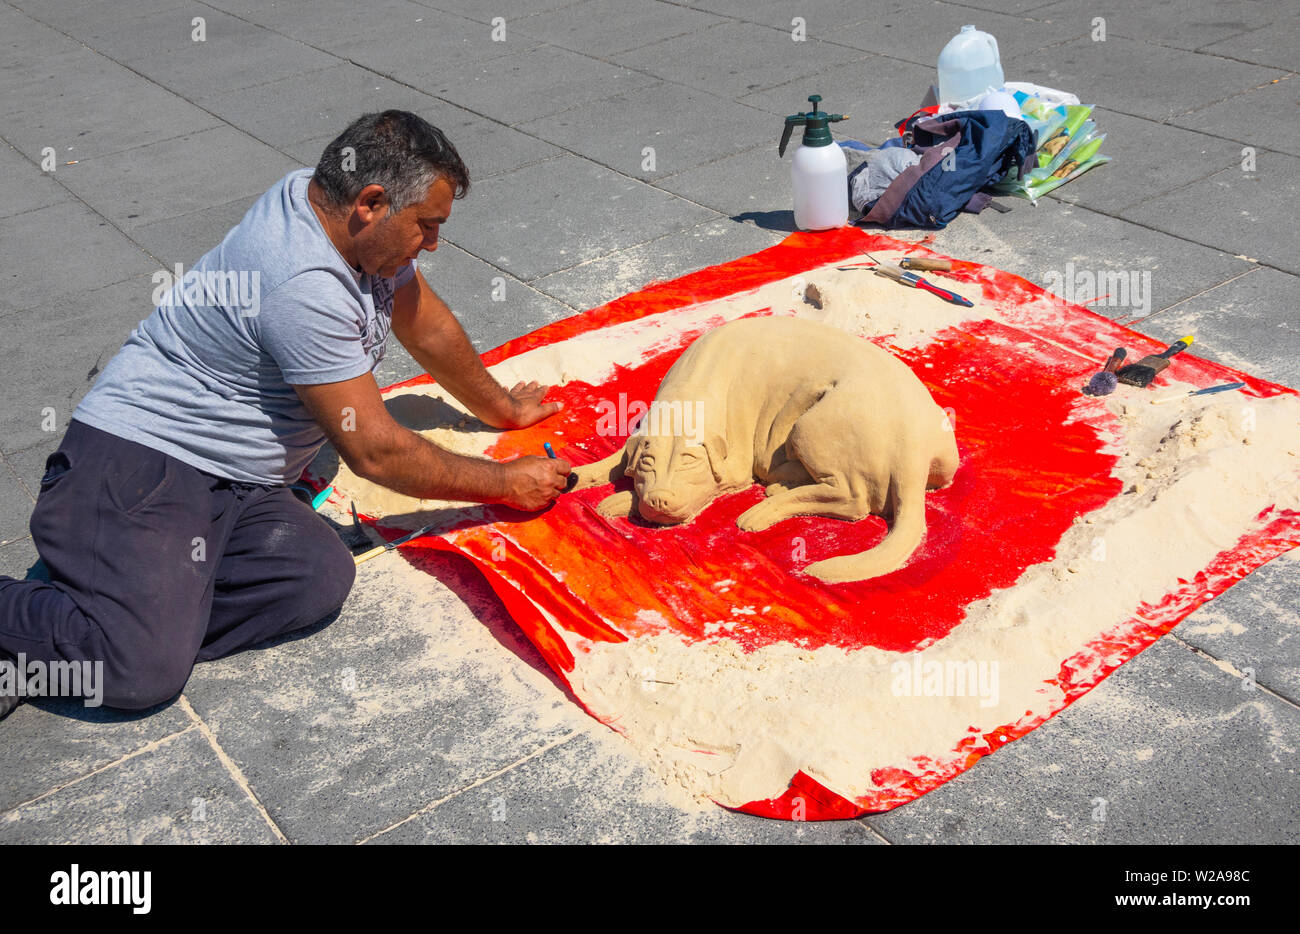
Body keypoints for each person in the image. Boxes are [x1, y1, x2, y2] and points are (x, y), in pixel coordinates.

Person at [0, 110, 570, 721]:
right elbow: (374, 450)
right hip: (142, 462)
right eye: (426, 227)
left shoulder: (334, 206)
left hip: (238, 479)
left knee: (313, 579)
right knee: (136, 671)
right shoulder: (301, 280)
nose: (431, 245)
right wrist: (506, 483)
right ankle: (73, 622)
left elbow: (421, 319)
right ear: (372, 202)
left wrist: (502, 407)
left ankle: (127, 601)